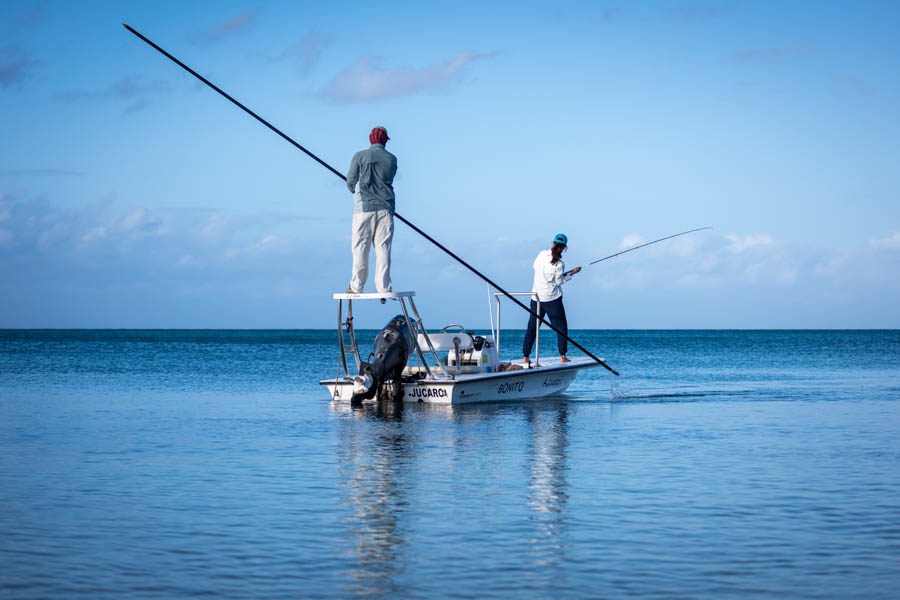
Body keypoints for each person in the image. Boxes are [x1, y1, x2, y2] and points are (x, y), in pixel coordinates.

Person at [345, 126, 398, 294]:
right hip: (385, 208)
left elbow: (350, 181)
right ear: (384, 141)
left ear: (370, 139)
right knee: (383, 249)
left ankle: (356, 287)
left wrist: (355, 189)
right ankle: (383, 287)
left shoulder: (359, 155)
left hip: (363, 209)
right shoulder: (392, 159)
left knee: (360, 248)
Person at [522, 233, 582, 365]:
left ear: (553, 243)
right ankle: (562, 356)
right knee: (561, 327)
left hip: (536, 297)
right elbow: (559, 282)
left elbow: (535, 268)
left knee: (532, 327)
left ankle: (525, 357)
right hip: (552, 299)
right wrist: (572, 273)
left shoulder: (541, 254)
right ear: (564, 247)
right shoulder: (560, 264)